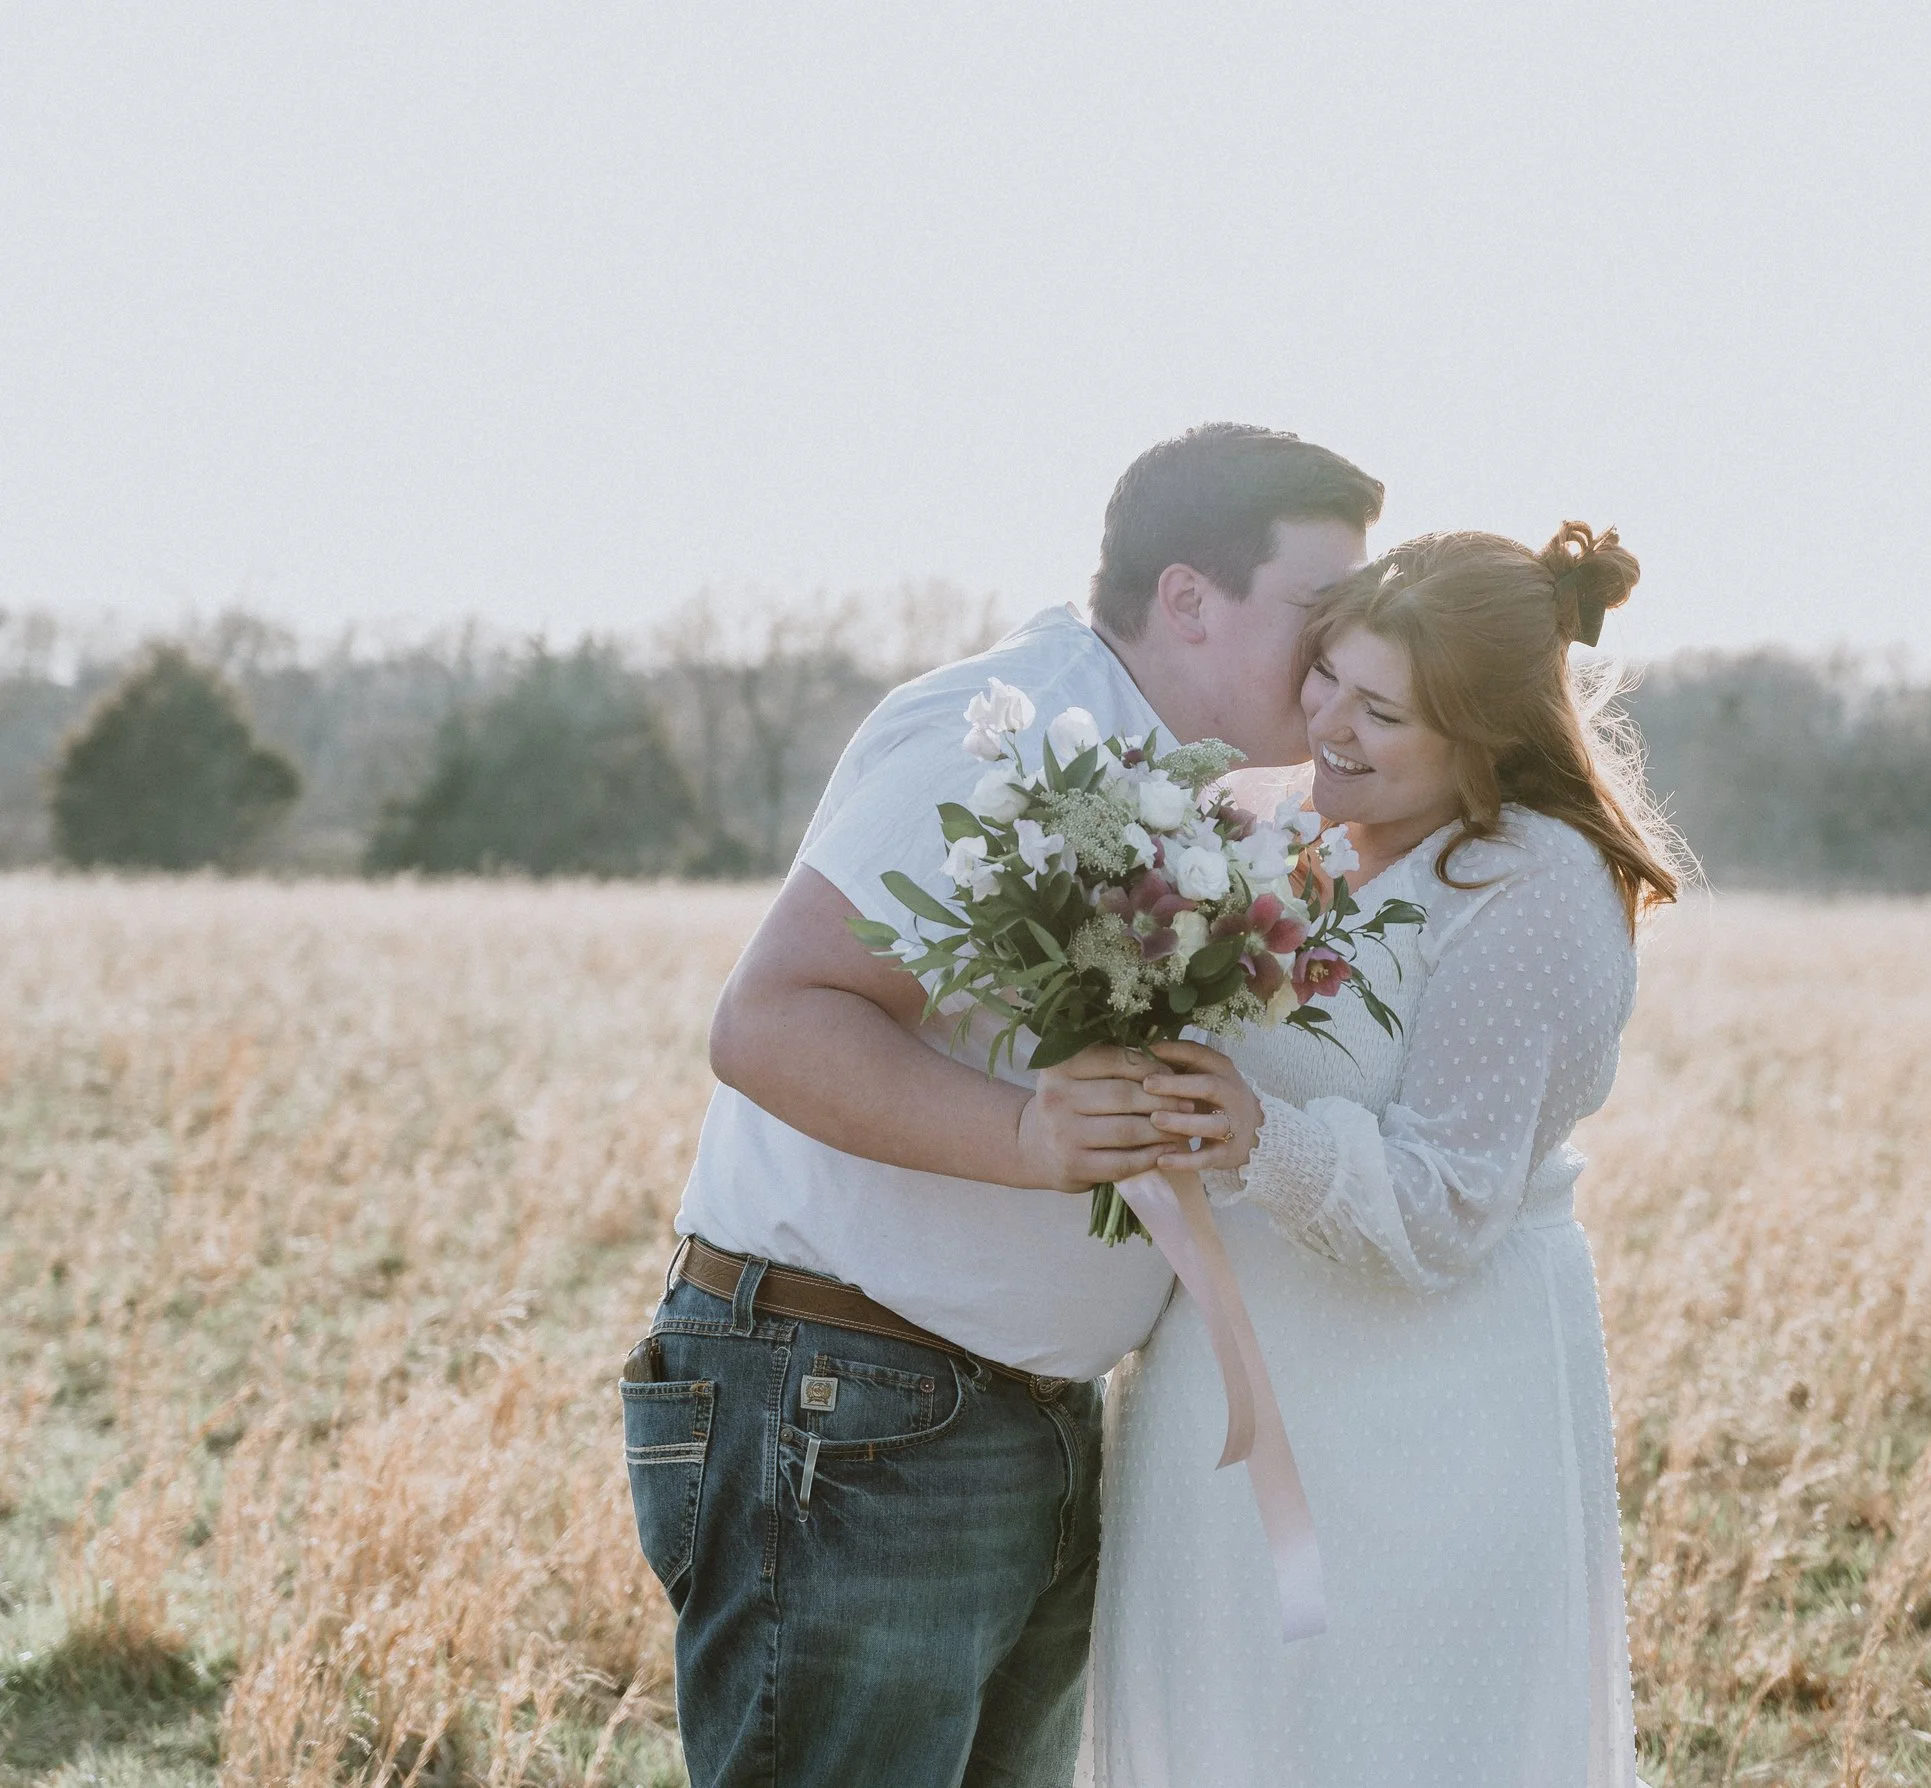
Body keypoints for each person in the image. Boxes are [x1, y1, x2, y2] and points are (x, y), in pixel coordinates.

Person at [619, 423, 1382, 1787]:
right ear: (1190, 600)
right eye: (1320, 621)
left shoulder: (1223, 792)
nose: (1339, 670)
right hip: (847, 1407)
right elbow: (770, 1018)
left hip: (1018, 1424)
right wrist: (1028, 1137)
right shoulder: (1012, 728)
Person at [1084, 523, 1679, 1787]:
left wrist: (1260, 1133)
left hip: (1429, 1412)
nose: (1331, 728)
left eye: (1382, 713)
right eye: (1326, 680)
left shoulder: (1533, 884)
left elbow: (1454, 1201)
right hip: (1226, 1388)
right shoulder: (1266, 826)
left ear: (1486, 739)